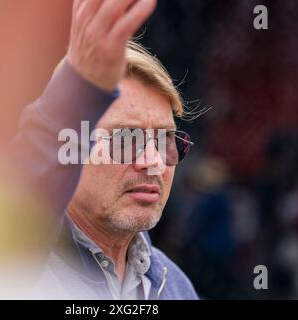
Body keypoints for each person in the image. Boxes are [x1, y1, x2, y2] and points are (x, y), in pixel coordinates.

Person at [14, 0, 198, 299]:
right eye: (126, 139)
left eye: (165, 140)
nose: (152, 161)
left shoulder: (175, 286)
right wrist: (76, 88)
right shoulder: (9, 265)